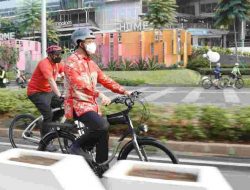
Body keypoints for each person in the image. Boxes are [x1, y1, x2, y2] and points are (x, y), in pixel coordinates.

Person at [64, 28, 130, 167]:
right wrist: (99, 94)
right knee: (102, 125)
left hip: (91, 105)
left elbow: (105, 79)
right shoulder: (71, 62)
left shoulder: (91, 63)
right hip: (77, 104)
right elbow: (78, 84)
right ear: (80, 43)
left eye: (93, 41)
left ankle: (101, 166)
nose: (93, 44)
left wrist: (124, 91)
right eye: (89, 41)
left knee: (103, 132)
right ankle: (76, 146)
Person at [27, 45, 65, 150]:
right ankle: (45, 142)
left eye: (60, 54)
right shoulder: (44, 64)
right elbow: (51, 81)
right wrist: (59, 95)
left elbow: (66, 72)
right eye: (56, 54)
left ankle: (49, 127)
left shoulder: (58, 63)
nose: (59, 56)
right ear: (50, 55)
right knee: (48, 114)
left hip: (47, 91)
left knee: (63, 106)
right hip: (36, 92)